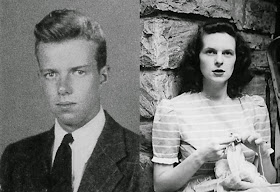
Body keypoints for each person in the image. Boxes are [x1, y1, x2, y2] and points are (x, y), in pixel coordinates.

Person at [0, 9, 139, 192]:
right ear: (40, 78)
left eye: (78, 72)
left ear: (103, 76)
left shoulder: (137, 158)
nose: (63, 88)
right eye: (51, 74)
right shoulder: (16, 158)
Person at [152, 20, 277, 192]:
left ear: (236, 59)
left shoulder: (255, 107)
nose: (219, 61)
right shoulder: (173, 110)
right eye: (210, 52)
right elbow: (160, 186)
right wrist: (200, 157)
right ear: (198, 57)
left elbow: (268, 182)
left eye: (227, 53)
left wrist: (262, 153)